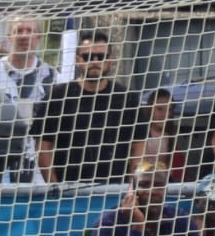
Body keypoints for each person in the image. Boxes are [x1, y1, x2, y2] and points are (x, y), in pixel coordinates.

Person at [35, 30, 146, 187]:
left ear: (110, 60)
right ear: (78, 60)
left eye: (101, 56)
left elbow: (138, 147)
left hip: (114, 190)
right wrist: (56, 188)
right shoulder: (57, 97)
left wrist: (131, 187)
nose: (95, 62)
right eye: (88, 57)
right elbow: (43, 147)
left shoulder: (127, 99)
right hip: (69, 191)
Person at [0, 15, 54, 185]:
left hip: (38, 172)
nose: (24, 36)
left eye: (30, 31)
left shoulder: (52, 77)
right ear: (9, 37)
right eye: (19, 31)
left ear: (38, 38)